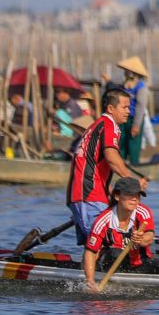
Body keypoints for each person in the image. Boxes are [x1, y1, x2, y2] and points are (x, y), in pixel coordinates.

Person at [66, 87, 144, 245]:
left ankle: (89, 269)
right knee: (105, 245)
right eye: (125, 107)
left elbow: (97, 167)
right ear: (110, 108)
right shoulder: (109, 125)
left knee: (94, 248)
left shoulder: (98, 125)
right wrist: (133, 183)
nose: (129, 111)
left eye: (129, 107)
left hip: (84, 195)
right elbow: (112, 157)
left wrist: (112, 194)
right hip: (89, 196)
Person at [81, 176, 159, 284]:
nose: (135, 199)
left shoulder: (144, 212)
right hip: (109, 265)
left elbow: (149, 236)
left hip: (137, 264)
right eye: (129, 194)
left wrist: (141, 240)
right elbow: (90, 252)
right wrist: (90, 280)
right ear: (117, 196)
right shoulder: (103, 221)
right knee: (116, 253)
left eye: (137, 195)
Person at [116, 57, 150, 165]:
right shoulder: (124, 85)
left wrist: (136, 125)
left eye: (128, 71)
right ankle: (120, 165)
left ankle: (134, 166)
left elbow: (140, 106)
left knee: (133, 145)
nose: (126, 73)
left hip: (134, 118)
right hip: (123, 119)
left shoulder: (140, 87)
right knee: (121, 143)